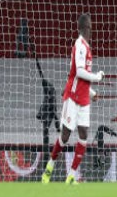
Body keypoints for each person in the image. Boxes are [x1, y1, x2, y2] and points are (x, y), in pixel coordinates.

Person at [41, 14, 104, 185]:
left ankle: (71, 175)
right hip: (73, 97)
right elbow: (80, 72)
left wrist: (91, 93)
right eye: (89, 27)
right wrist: (97, 77)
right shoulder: (80, 45)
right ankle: (50, 166)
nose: (91, 30)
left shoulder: (86, 47)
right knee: (65, 135)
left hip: (83, 98)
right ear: (84, 28)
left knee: (83, 135)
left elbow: (81, 78)